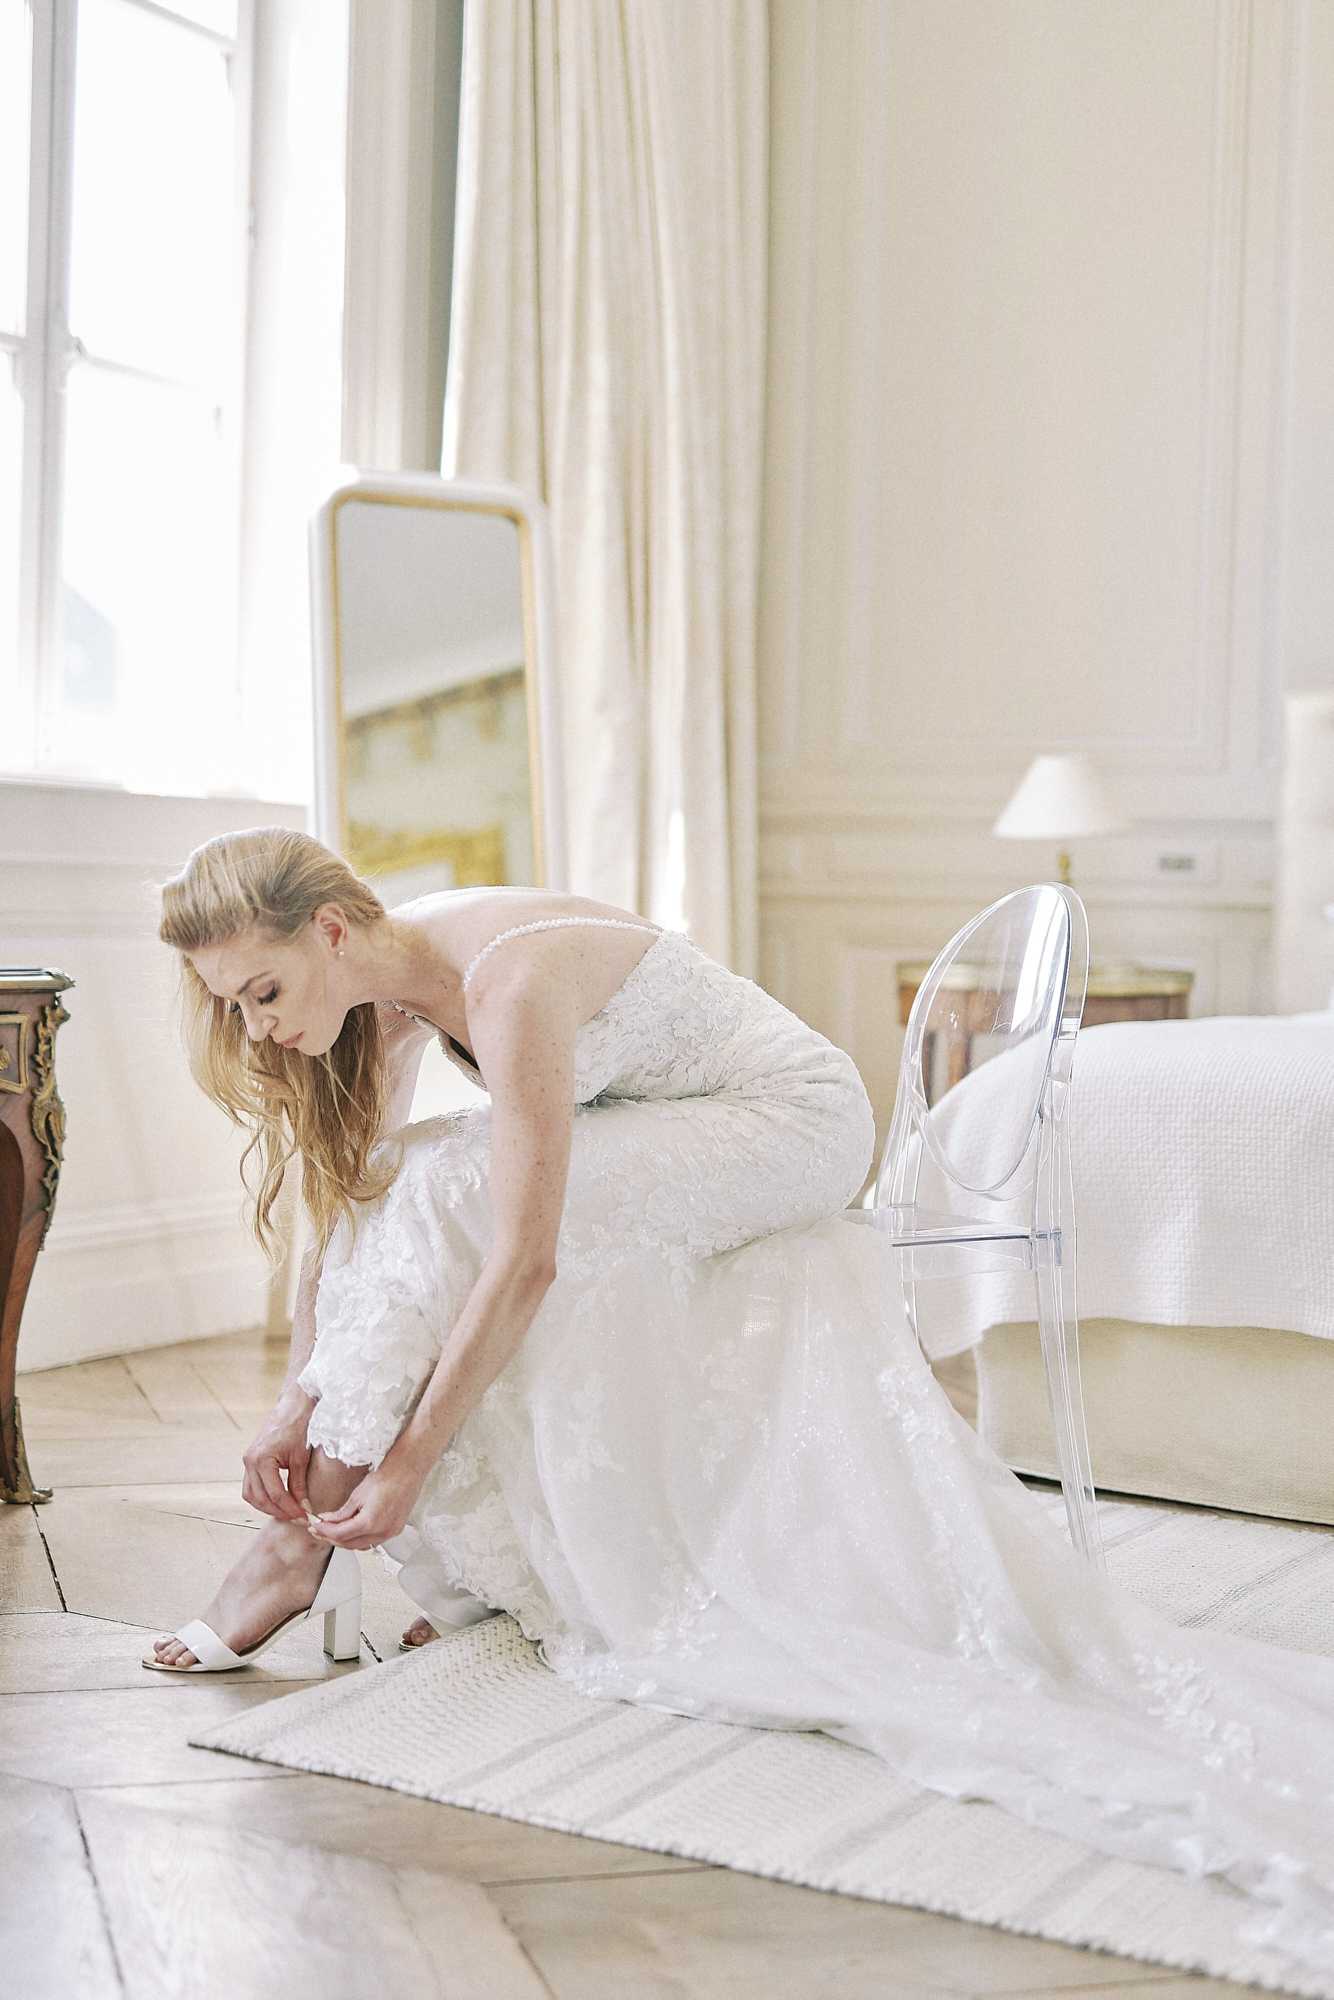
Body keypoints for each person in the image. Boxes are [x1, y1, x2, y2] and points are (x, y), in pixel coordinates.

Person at [148, 827, 1334, 1979]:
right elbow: (348, 1198)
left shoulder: (504, 977)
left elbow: (525, 1261)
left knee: (456, 1196)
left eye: (261, 990)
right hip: (674, 1118)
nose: (258, 1025)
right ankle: (326, 1526)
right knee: (409, 1184)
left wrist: (405, 1460)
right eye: (238, 1006)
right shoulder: (391, 985)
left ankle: (307, 1532)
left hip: (797, 1122)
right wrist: (291, 1404)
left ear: (335, 928)